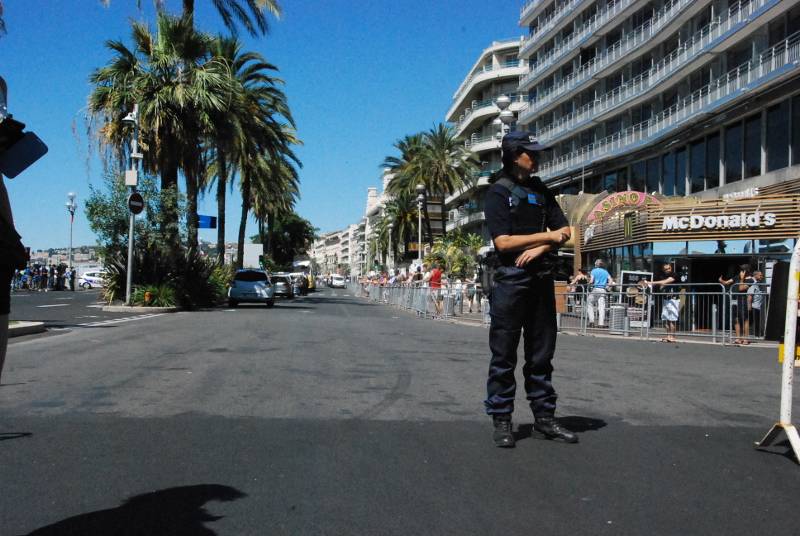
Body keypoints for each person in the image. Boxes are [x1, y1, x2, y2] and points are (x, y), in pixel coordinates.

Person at [483, 131, 577, 447]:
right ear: (514, 155)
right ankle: (502, 420)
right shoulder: (498, 192)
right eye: (530, 153)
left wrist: (542, 246)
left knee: (541, 354)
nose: (536, 158)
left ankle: (545, 419)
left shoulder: (540, 189)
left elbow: (566, 230)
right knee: (504, 355)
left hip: (540, 277)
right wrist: (548, 238)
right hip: (510, 279)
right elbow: (503, 242)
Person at [720, 264, 753, 345]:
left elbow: (741, 288)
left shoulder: (750, 280)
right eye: (741, 269)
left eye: (742, 270)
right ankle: (738, 338)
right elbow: (727, 283)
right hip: (735, 300)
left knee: (745, 319)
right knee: (736, 319)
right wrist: (721, 280)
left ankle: (745, 339)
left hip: (742, 300)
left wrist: (742, 279)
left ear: (747, 271)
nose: (741, 271)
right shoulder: (737, 276)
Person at [648, 263, 678, 343]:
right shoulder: (662, 276)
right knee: (666, 319)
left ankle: (672, 336)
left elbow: (665, 282)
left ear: (671, 268)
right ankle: (668, 336)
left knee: (672, 319)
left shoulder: (674, 275)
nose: (667, 270)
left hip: (673, 300)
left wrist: (652, 282)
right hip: (665, 299)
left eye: (668, 268)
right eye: (665, 269)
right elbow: (661, 284)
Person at [587, 259, 614, 328]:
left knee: (589, 303)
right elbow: (611, 280)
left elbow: (592, 280)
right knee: (601, 307)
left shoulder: (594, 271)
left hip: (596, 289)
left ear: (596, 264)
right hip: (603, 290)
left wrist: (589, 284)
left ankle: (591, 321)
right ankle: (601, 324)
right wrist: (608, 287)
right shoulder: (605, 272)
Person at [747, 270, 766, 339]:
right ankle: (753, 335)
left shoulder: (757, 283)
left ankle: (756, 335)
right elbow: (750, 296)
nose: (762, 276)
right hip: (754, 306)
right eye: (760, 275)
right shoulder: (753, 283)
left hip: (757, 306)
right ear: (755, 275)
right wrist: (749, 308)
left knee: (756, 321)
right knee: (752, 321)